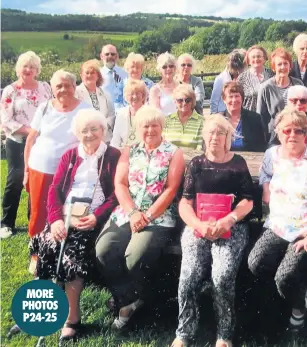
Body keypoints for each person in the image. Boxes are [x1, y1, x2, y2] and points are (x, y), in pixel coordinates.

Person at [31, 109, 120, 344]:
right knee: (48, 243)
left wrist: (97, 217)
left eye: (94, 129)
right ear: (77, 133)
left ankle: (71, 319)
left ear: (103, 130)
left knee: (71, 256)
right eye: (84, 130)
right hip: (65, 215)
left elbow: (115, 195)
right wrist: (56, 219)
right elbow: (54, 189)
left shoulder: (113, 155)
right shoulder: (70, 155)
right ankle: (44, 310)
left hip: (90, 217)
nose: (89, 134)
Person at [249, 109, 307, 331]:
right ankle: (296, 292)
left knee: (285, 276)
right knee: (255, 263)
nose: (292, 135)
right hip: (279, 225)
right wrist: (265, 188)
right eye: (286, 130)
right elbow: (265, 174)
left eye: (298, 131)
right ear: (279, 133)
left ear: (306, 134)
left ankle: (299, 308)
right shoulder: (272, 155)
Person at [95, 106, 185, 330]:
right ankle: (131, 299)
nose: (150, 129)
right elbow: (120, 184)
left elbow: (171, 189)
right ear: (138, 128)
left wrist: (147, 216)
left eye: (155, 125)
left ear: (162, 127)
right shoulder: (129, 150)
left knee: (134, 258)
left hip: (159, 216)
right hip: (127, 212)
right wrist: (133, 212)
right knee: (103, 250)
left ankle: (129, 302)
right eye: (145, 125)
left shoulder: (174, 152)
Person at [171, 114, 254, 347]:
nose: (215, 137)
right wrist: (198, 225)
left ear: (229, 137)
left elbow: (248, 201)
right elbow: (185, 203)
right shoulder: (196, 164)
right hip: (199, 227)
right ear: (204, 137)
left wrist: (229, 220)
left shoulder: (238, 163)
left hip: (231, 227)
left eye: (221, 133)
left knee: (222, 276)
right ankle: (184, 332)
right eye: (211, 132)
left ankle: (224, 333)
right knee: (187, 276)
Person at [24, 70, 90, 239]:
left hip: (71, 170)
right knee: (38, 210)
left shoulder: (85, 109)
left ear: (74, 87)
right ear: (52, 89)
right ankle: (36, 252)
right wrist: (26, 171)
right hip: (41, 168)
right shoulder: (44, 108)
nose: (63, 89)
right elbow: (31, 139)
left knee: (65, 209)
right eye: (58, 86)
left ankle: (61, 246)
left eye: (67, 85)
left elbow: (92, 139)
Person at [0, 51, 52, 239]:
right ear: (18, 68)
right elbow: (6, 120)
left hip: (41, 143)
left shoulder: (45, 88)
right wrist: (31, 131)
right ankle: (7, 222)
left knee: (37, 179)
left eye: (32, 66)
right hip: (18, 142)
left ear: (37, 70)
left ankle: (35, 220)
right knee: (15, 179)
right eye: (25, 66)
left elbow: (52, 109)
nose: (28, 69)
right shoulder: (10, 91)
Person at [257, 48, 303, 144]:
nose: (283, 67)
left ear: (290, 66)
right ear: (273, 67)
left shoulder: (298, 84)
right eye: (279, 64)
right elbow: (261, 117)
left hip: (296, 133)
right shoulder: (265, 88)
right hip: (275, 136)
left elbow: (304, 110)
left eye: (286, 63)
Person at [75, 59, 115, 142]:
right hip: (86, 138)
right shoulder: (76, 93)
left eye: (92, 73)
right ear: (81, 75)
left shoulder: (105, 94)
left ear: (97, 76)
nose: (89, 75)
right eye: (87, 73)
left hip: (105, 137)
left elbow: (111, 114)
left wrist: (102, 127)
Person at [222, 81, 266, 152]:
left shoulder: (255, 119)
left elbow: (261, 146)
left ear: (242, 98)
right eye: (230, 96)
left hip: (251, 161)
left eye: (237, 96)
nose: (234, 100)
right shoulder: (218, 120)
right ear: (224, 99)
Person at [163, 84, 205, 150]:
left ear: (192, 101)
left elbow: (200, 147)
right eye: (180, 100)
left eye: (188, 100)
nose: (184, 103)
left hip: (193, 159)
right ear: (175, 101)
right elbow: (163, 144)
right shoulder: (166, 120)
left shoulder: (202, 121)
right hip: (170, 159)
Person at [110, 80, 148, 150]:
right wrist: (113, 153)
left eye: (138, 93)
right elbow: (116, 137)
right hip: (124, 151)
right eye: (131, 94)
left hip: (143, 152)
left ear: (143, 95)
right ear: (126, 97)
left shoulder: (149, 112)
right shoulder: (121, 113)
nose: (134, 96)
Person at [237, 45, 274, 112]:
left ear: (264, 58)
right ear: (248, 60)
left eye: (259, 56)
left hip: (270, 118)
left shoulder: (272, 75)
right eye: (253, 57)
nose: (256, 59)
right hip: (249, 118)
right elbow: (238, 99)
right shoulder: (242, 78)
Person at [210, 49, 247, 114]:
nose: (238, 72)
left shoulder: (245, 76)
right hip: (223, 114)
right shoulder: (220, 79)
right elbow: (214, 100)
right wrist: (214, 115)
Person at [149, 52, 180, 116]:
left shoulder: (181, 87)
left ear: (175, 68)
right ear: (160, 69)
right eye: (164, 67)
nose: (168, 69)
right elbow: (156, 115)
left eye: (171, 66)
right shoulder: (155, 90)